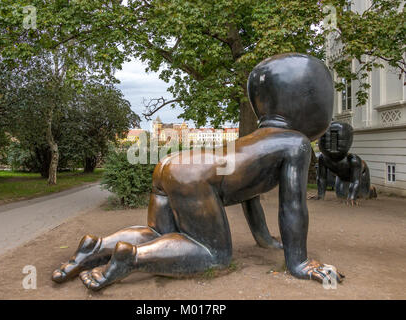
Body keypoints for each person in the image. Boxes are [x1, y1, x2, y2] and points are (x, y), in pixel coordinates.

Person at [52, 53, 344, 291]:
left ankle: (96, 247)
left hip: (173, 165)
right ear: (310, 99)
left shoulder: (255, 141)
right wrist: (299, 262)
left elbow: (250, 195)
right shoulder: (296, 143)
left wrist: (265, 239)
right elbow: (292, 206)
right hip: (194, 177)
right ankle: (133, 258)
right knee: (214, 255)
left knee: (158, 232)